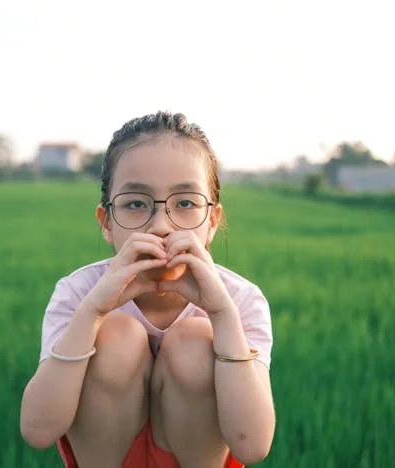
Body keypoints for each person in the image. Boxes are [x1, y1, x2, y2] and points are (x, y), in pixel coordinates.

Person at [19, 111, 276, 467]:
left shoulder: (239, 300)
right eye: (136, 204)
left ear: (213, 221)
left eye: (185, 203)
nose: (160, 225)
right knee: (116, 334)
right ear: (107, 222)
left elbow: (253, 446)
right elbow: (37, 430)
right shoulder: (80, 293)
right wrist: (93, 313)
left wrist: (221, 315)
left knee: (195, 339)